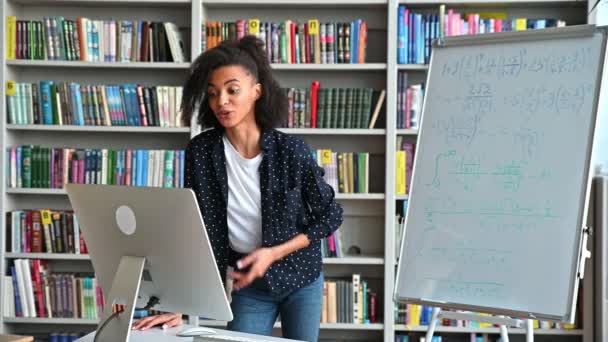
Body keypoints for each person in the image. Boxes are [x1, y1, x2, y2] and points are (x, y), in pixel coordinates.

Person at [131, 35, 344, 342]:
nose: (221, 101)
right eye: (213, 93)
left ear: (256, 92)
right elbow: (197, 230)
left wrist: (273, 253)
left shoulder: (291, 151)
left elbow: (330, 215)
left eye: (232, 90)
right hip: (249, 285)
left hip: (302, 279)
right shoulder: (201, 152)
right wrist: (181, 304)